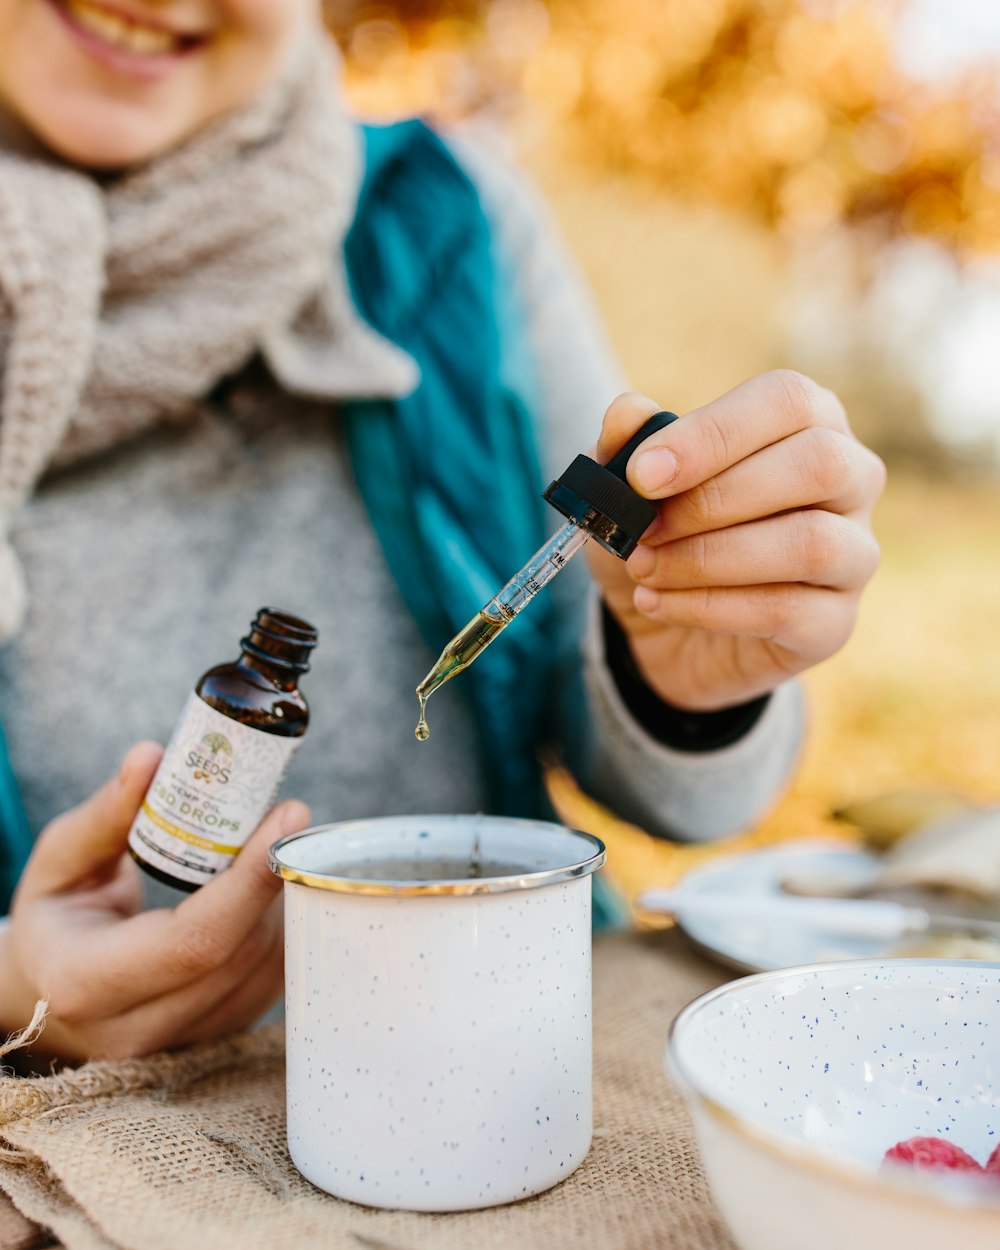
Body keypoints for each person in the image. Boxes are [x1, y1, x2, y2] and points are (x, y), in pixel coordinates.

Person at [0, 0, 884, 1063]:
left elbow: (669, 793)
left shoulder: (447, 225)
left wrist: (687, 674)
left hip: (509, 1059)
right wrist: (15, 985)